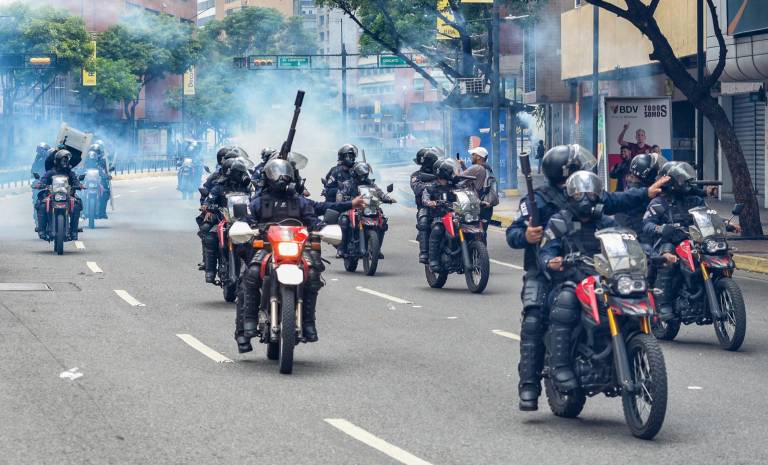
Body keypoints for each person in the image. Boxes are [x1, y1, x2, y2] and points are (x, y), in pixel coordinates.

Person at [505, 144, 668, 411]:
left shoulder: (591, 197)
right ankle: (530, 386)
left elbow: (618, 204)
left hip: (590, 268)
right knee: (536, 318)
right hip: (545, 270)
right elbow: (515, 234)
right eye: (577, 164)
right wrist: (526, 236)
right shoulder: (540, 200)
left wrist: (646, 199)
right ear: (565, 172)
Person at [237, 158, 355, 352]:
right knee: (251, 274)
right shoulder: (259, 202)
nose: (281, 178)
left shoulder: (299, 201)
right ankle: (249, 321)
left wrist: (323, 229)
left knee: (314, 274)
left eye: (284, 173)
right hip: (268, 247)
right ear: (268, 177)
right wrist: (248, 227)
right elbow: (247, 219)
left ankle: (308, 322)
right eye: (276, 174)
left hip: (297, 248)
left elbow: (312, 221)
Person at [539, 171, 617, 393]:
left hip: (603, 280)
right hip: (570, 280)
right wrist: (550, 261)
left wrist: (648, 253)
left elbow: (627, 240)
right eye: (580, 193)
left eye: (591, 193)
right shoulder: (559, 221)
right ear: (570, 195)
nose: (585, 198)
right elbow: (546, 251)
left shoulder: (605, 222)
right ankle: (560, 366)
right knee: (566, 300)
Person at [641, 161, 739, 321]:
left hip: (695, 239)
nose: (686, 183)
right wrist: (660, 229)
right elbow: (646, 224)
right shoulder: (659, 202)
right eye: (681, 179)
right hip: (669, 241)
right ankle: (664, 303)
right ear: (671, 181)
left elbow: (708, 215)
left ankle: (715, 290)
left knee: (720, 251)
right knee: (669, 259)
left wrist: (726, 224)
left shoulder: (695, 200)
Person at [200, 158, 253, 284]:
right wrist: (207, 206)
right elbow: (210, 197)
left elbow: (255, 197)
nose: (241, 175)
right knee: (210, 237)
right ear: (232, 173)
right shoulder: (220, 186)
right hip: (224, 219)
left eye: (242, 172)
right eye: (238, 173)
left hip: (243, 220)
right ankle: (210, 271)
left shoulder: (247, 186)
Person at [337, 162, 395, 258]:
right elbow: (340, 194)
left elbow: (378, 192)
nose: (363, 176)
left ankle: (376, 249)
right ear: (355, 173)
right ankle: (341, 249)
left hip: (368, 207)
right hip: (352, 207)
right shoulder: (348, 184)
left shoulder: (370, 183)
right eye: (361, 174)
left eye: (365, 174)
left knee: (383, 221)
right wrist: (342, 199)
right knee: (344, 220)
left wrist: (386, 198)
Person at [423, 158, 463, 272]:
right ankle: (433, 260)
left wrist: (478, 201)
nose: (454, 173)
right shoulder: (431, 187)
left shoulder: (455, 186)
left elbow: (466, 194)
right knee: (437, 230)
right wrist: (430, 202)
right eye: (452, 171)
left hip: (456, 216)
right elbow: (425, 198)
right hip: (439, 217)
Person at [35, 150, 83, 241]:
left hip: (67, 195)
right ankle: (42, 230)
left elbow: (75, 180)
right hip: (52, 194)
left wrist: (79, 185)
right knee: (42, 205)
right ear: (57, 161)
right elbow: (44, 179)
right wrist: (40, 184)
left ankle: (73, 231)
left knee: (77, 204)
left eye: (66, 160)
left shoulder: (69, 172)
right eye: (62, 160)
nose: (64, 162)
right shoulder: (51, 172)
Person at [411, 147, 440, 264]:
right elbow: (417, 189)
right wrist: (433, 185)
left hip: (442, 205)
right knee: (423, 220)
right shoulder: (416, 175)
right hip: (425, 207)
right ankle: (424, 252)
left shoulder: (440, 172)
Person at [461, 146, 498, 236]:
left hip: (479, 205)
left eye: (473, 155)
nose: (471, 157)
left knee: (472, 232)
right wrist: (462, 165)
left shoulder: (476, 167)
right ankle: (481, 249)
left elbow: (460, 177)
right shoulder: (486, 167)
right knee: (482, 232)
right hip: (487, 206)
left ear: (478, 157)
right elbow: (470, 176)